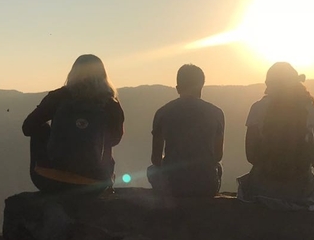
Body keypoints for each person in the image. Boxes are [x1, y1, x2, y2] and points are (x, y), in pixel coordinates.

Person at [21, 54, 124, 194]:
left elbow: (27, 128)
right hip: (94, 184)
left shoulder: (58, 97)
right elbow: (115, 140)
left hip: (50, 181)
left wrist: (57, 134)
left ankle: (46, 169)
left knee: (41, 128)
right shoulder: (111, 104)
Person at [239, 62, 314, 203]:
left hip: (263, 186)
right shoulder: (312, 111)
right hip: (301, 188)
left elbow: (251, 155)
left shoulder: (258, 108)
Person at [147, 64, 224, 197]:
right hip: (205, 184)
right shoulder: (216, 113)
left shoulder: (162, 113)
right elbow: (217, 156)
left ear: (177, 88)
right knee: (218, 167)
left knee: (152, 170)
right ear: (201, 86)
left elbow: (156, 159)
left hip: (172, 183)